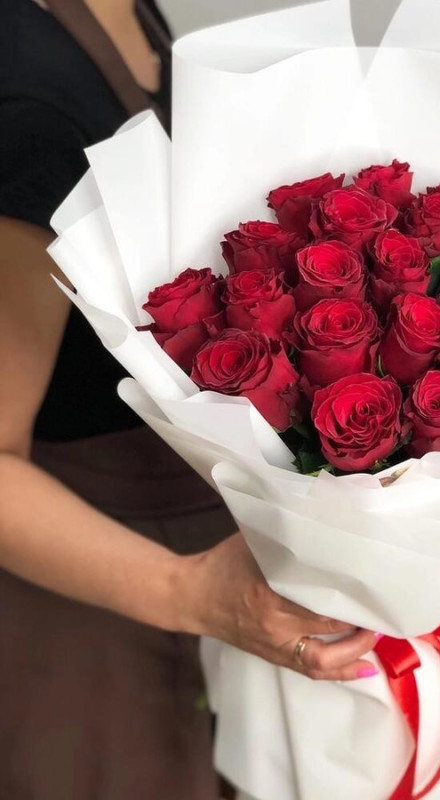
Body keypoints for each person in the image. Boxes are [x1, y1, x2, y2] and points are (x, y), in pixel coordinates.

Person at [0, 1, 378, 797]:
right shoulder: (27, 94)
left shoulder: (131, 14)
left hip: (213, 571)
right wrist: (190, 594)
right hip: (96, 618)